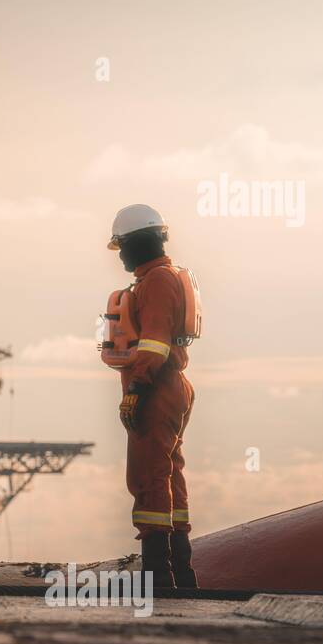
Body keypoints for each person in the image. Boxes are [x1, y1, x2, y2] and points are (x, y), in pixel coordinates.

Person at [106, 204, 199, 588]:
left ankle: (158, 575)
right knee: (168, 473)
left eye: (123, 247)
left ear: (138, 242)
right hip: (170, 385)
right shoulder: (159, 278)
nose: (122, 256)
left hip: (156, 387)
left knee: (149, 476)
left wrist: (137, 390)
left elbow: (155, 343)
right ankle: (181, 571)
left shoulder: (157, 282)